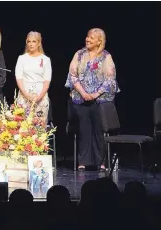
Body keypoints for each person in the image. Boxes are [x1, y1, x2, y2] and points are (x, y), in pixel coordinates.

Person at [64, 28, 119, 171]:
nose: (87, 39)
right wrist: (83, 92)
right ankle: (83, 161)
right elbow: (72, 76)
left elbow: (110, 79)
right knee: (83, 129)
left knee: (99, 129)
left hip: (99, 99)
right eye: (87, 37)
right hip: (80, 98)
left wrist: (94, 94)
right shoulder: (79, 54)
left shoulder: (106, 56)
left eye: (91, 38)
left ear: (99, 41)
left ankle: (101, 161)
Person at [15, 31, 52, 124]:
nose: (31, 44)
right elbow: (19, 78)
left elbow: (47, 80)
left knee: (39, 127)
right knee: (23, 126)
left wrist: (39, 97)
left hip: (40, 96)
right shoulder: (22, 58)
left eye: (34, 41)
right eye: (29, 41)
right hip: (24, 95)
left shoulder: (46, 60)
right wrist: (27, 95)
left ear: (39, 43)